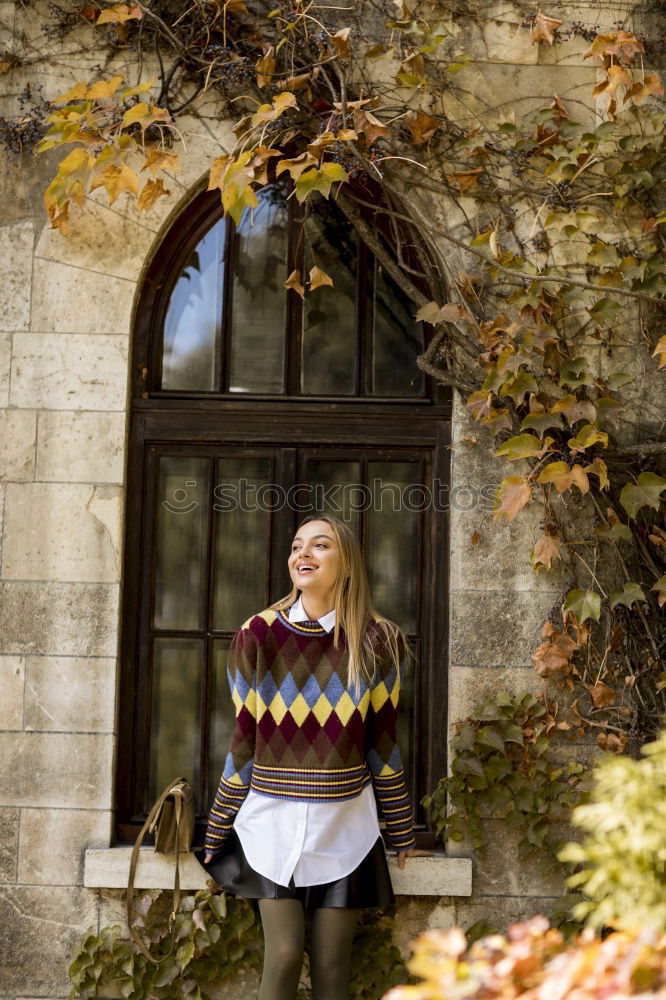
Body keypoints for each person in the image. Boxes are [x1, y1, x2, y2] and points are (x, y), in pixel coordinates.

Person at [195, 513, 433, 1000]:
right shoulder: (256, 636)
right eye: (298, 545)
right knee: (282, 957)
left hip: (346, 826)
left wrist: (402, 829)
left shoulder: (378, 640)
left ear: (346, 563)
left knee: (331, 966)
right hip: (271, 824)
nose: (303, 554)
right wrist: (216, 831)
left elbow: (382, 744)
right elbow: (243, 743)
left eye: (320, 545)